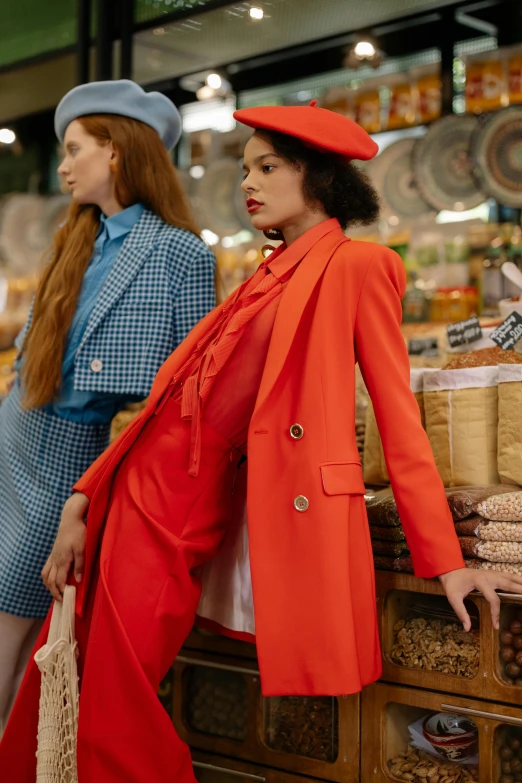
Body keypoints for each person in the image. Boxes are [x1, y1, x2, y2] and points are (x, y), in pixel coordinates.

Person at [2, 102, 521, 783]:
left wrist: (447, 559)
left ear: (318, 177)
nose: (249, 182)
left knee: (110, 700)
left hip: (179, 512)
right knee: (68, 674)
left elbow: (399, 421)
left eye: (268, 167)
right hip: (133, 493)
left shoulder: (357, 267)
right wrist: (84, 496)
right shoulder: (262, 275)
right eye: (247, 167)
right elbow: (166, 406)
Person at [0, 79, 216, 735]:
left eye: (74, 149)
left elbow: (193, 385)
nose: (62, 166)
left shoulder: (181, 252)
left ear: (116, 151)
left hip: (85, 453)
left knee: (18, 630)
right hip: (17, 438)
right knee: (16, 631)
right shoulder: (74, 239)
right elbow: (31, 350)